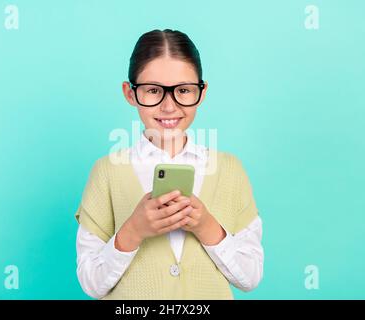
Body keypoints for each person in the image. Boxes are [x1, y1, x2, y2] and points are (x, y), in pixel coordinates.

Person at [75, 29, 264, 299]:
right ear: (130, 93)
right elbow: (91, 283)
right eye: (153, 91)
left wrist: (206, 226)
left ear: (202, 91)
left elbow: (251, 277)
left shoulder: (230, 170)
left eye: (184, 91)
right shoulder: (107, 171)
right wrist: (133, 231)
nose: (169, 106)